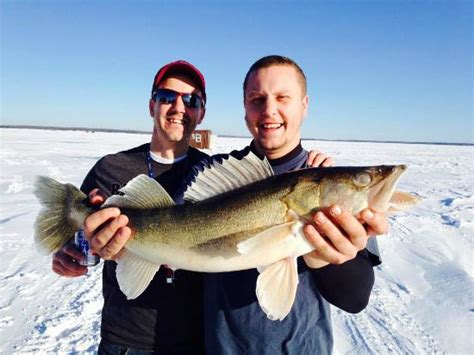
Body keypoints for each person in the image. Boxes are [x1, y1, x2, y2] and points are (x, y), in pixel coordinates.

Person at [65, 56, 388, 354]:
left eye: (283, 97)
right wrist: (89, 246)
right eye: (257, 99)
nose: (269, 110)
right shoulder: (212, 170)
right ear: (245, 108)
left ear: (304, 105)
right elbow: (169, 236)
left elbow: (355, 298)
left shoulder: (333, 191)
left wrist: (326, 253)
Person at [52, 60, 210, 354]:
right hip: (125, 340)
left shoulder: (212, 173)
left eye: (191, 100)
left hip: (195, 340)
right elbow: (80, 244)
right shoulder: (110, 168)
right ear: (152, 106)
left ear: (201, 113)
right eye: (167, 97)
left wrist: (310, 166)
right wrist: (70, 254)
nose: (178, 107)